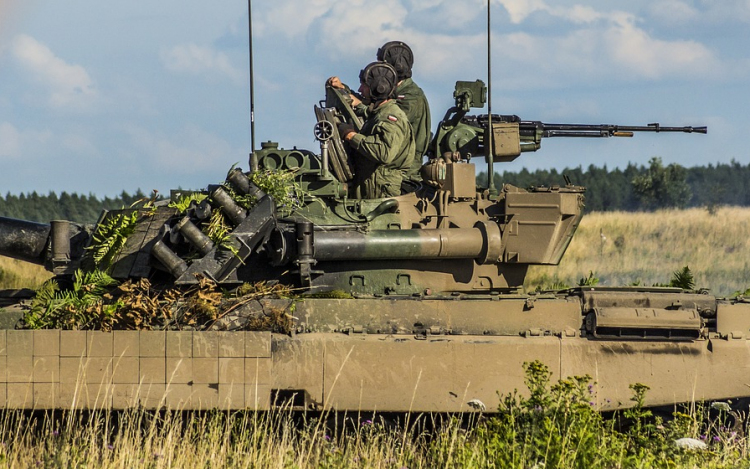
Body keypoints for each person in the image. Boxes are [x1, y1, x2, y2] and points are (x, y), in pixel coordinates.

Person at [328, 41, 431, 182]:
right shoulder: (390, 95)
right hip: (384, 170)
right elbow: (373, 102)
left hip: (401, 171)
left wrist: (353, 131)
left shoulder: (410, 98)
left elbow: (381, 117)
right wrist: (343, 90)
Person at [337, 62, 415, 199]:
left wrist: (351, 136)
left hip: (381, 191)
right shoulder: (378, 113)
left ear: (378, 88)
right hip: (372, 185)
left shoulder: (390, 117)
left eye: (364, 86)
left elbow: (384, 153)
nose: (360, 90)